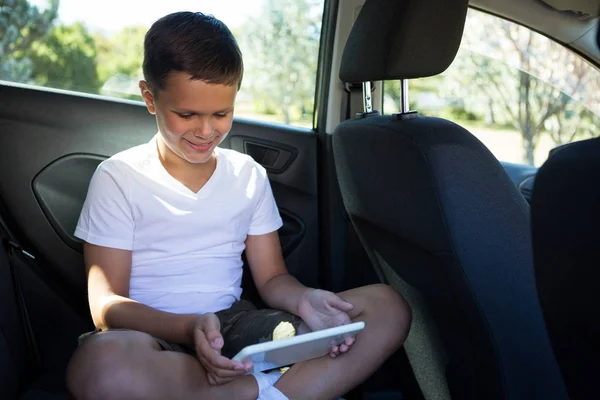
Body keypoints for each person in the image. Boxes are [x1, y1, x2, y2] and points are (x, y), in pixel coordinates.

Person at [65, 11, 411, 400]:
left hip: (235, 327)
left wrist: (304, 299)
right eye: (187, 114)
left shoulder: (248, 175)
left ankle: (247, 389)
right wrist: (188, 328)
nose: (206, 130)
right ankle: (265, 391)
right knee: (101, 369)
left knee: (387, 306)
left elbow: (271, 280)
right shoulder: (119, 177)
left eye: (221, 113)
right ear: (150, 98)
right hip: (153, 336)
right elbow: (106, 306)